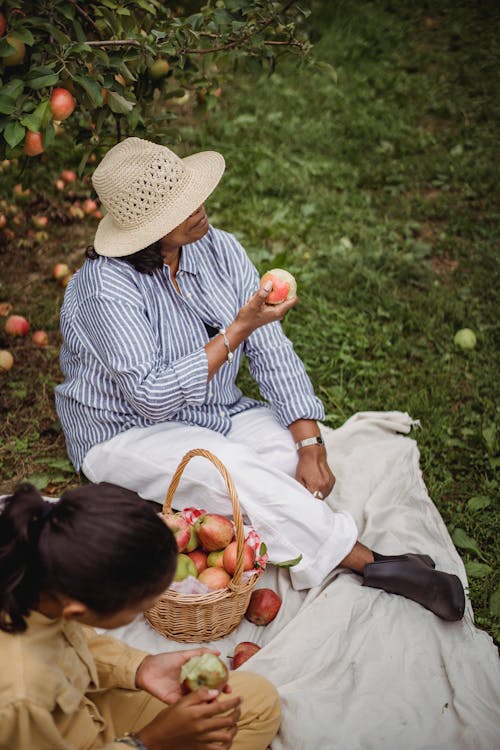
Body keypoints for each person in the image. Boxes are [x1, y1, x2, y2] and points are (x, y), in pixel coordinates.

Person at [54, 136, 465, 621]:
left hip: (217, 411)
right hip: (126, 429)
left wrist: (310, 442)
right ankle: (375, 563)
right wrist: (237, 330)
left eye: (194, 195)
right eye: (183, 207)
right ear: (147, 230)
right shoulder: (105, 287)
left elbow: (270, 347)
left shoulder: (220, 248)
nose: (200, 209)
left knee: (285, 463)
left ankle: (191, 516)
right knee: (231, 472)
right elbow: (150, 399)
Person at [0, 482, 281, 750]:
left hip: (86, 706)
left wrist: (139, 667)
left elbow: (73, 641)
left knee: (257, 701)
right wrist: (152, 741)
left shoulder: (40, 576)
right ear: (79, 610)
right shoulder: (20, 696)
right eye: (139, 607)